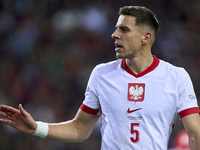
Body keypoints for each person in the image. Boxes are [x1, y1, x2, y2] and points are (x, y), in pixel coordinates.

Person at [0, 6, 200, 150]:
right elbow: (80, 128)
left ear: (145, 38)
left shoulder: (176, 77)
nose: (114, 35)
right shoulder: (101, 74)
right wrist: (37, 128)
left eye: (124, 29)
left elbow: (195, 134)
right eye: (115, 28)